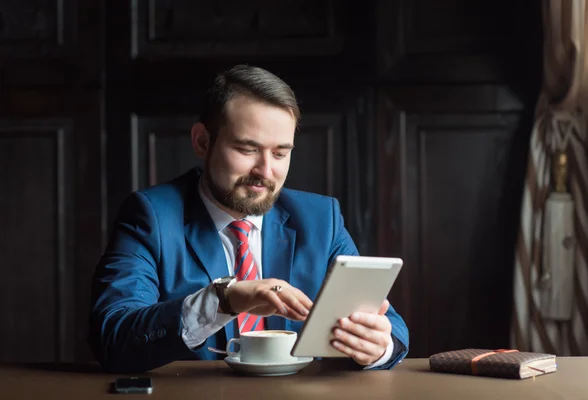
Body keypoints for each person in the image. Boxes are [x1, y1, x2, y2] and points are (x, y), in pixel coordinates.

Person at [88, 65, 409, 373]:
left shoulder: (321, 219)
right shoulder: (151, 216)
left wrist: (378, 347)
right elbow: (113, 338)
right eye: (247, 149)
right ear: (202, 141)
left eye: (281, 153)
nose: (266, 172)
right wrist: (224, 299)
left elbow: (391, 326)